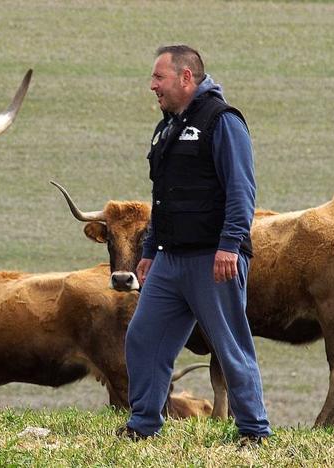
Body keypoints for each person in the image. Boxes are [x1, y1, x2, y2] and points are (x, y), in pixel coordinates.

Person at [116, 45, 272, 446]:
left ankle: (253, 430)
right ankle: (143, 423)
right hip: (168, 261)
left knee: (229, 343)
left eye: (159, 78)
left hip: (212, 258)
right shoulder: (166, 127)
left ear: (186, 78)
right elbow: (161, 199)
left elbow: (242, 190)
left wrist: (230, 245)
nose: (152, 86)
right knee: (142, 337)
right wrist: (149, 252)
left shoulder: (223, 121)